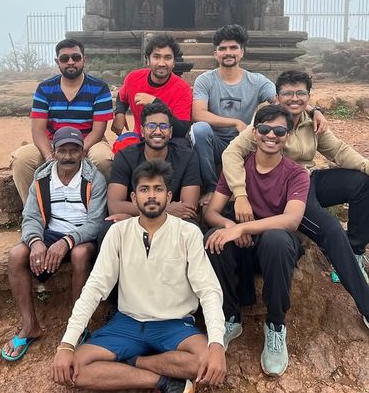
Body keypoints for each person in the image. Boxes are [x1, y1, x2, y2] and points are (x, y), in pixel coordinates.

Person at [51, 160, 226, 393]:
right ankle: (163, 382)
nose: (151, 196)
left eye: (158, 189)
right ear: (134, 198)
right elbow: (94, 288)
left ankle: (134, 363)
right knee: (74, 368)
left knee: (206, 362)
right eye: (144, 189)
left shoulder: (188, 232)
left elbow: (208, 290)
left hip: (174, 325)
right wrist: (66, 345)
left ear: (169, 196)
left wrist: (216, 344)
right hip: (128, 323)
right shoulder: (118, 232)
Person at [222, 70, 369, 329]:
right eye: (288, 93)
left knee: (362, 184)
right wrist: (240, 193)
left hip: (307, 179)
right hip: (285, 189)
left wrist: (366, 166)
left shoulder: (312, 120)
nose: (295, 98)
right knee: (332, 231)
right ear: (277, 97)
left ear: (309, 96)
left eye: (301, 93)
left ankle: (355, 251)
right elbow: (232, 152)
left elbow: (337, 151)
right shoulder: (266, 121)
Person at [205, 104, 309, 377]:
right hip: (243, 246)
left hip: (276, 248)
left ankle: (275, 325)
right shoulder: (238, 168)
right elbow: (211, 212)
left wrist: (244, 228)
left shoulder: (296, 173)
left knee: (276, 239)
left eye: (279, 130)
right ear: (254, 133)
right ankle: (230, 316)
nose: (271, 135)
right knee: (213, 239)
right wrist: (230, 227)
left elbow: (291, 220)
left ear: (288, 135)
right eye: (264, 129)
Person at [1, 127, 107, 362]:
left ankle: (77, 325)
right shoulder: (42, 178)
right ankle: (30, 326)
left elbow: (95, 222)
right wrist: (37, 242)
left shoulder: (94, 179)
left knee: (80, 255)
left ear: (82, 152)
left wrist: (66, 242)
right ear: (54, 152)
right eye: (62, 150)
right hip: (50, 232)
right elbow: (31, 217)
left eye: (74, 150)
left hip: (80, 236)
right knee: (17, 254)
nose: (68, 156)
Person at [190, 25, 325, 206]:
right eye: (223, 49)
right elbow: (199, 114)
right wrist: (235, 122)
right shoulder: (205, 80)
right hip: (214, 142)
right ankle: (210, 188)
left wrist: (314, 110)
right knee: (200, 130)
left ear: (242, 52)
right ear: (215, 54)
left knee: (268, 133)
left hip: (247, 144)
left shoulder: (257, 81)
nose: (228, 53)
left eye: (233, 48)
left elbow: (283, 99)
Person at [11, 38, 113, 204]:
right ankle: (34, 213)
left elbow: (98, 130)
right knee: (22, 159)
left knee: (103, 159)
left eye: (76, 57)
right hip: (53, 143)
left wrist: (78, 151)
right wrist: (50, 157)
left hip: (89, 142)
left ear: (84, 60)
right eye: (65, 58)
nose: (71, 62)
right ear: (57, 61)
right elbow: (38, 130)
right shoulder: (45, 88)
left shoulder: (99, 88)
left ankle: (101, 212)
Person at [108, 101, 200, 222]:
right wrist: (166, 209)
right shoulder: (125, 156)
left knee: (191, 225)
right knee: (109, 226)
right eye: (151, 126)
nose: (157, 131)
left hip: (173, 223)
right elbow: (114, 206)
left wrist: (134, 213)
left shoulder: (187, 156)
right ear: (142, 131)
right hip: (138, 222)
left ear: (171, 132)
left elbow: (188, 208)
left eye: (163, 126)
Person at [112, 34, 192, 138]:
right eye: (156, 57)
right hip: (139, 139)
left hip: (168, 142)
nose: (162, 63)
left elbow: (181, 130)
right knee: (122, 146)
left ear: (174, 62)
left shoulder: (183, 89)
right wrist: (120, 113)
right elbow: (122, 98)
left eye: (167, 58)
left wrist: (155, 103)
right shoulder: (133, 78)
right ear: (148, 60)